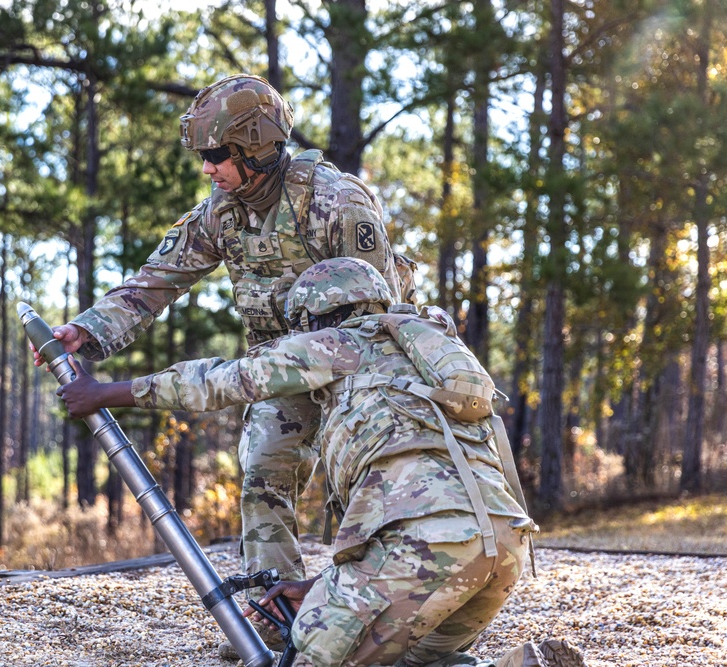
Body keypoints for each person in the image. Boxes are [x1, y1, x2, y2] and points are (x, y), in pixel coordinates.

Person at [57, 258, 587, 667]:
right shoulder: (424, 355)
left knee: (309, 657)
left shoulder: (338, 343)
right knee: (408, 659)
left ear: (316, 317)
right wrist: (321, 587)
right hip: (504, 545)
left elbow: (222, 380)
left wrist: (105, 393)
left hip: (421, 546)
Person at [36, 73, 418, 618]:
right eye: (203, 156)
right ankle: (276, 620)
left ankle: (365, 613)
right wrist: (86, 331)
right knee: (263, 469)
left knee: (359, 486)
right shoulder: (221, 210)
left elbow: (380, 316)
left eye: (216, 154)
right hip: (277, 373)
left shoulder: (337, 202)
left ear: (255, 147)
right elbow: (155, 281)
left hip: (355, 373)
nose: (207, 168)